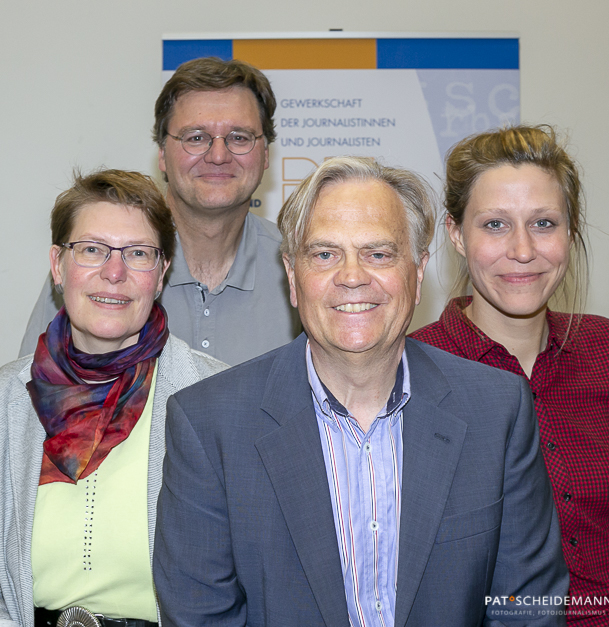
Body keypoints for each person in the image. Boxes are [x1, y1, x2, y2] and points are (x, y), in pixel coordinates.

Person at [153, 156, 568, 627]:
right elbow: (200, 618)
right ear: (292, 276)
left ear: (417, 272)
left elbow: (528, 610)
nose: (352, 276)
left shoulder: (498, 411)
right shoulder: (208, 424)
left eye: (378, 253)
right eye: (325, 254)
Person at [410, 124, 609, 625]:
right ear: (455, 234)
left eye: (544, 223)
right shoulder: (412, 372)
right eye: (495, 225)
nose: (524, 250)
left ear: (570, 231)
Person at [0, 170, 227, 627]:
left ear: (161, 273)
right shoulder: (6, 399)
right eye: (91, 249)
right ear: (58, 265)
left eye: (139, 253)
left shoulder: (217, 399)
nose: (115, 271)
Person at [20, 57, 300, 365]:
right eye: (196, 137)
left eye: (239, 137)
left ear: (265, 153)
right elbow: (32, 394)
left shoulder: (301, 267)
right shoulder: (94, 265)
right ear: (162, 155)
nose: (219, 155)